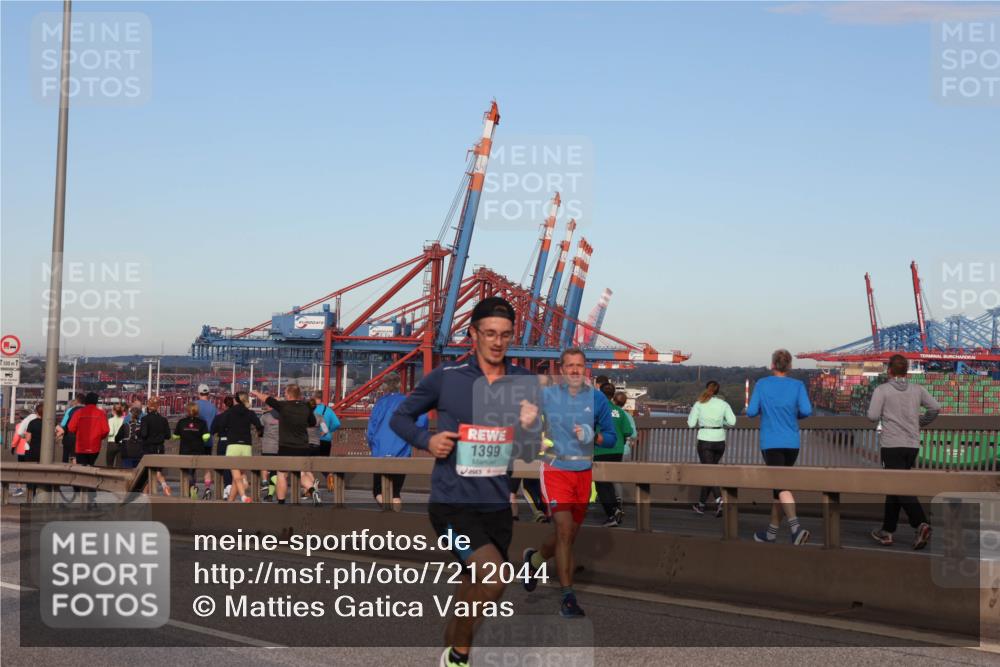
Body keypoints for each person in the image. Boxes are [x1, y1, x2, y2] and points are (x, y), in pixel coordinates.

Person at [390, 296, 541, 667]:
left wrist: (532, 424)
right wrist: (427, 440)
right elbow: (400, 418)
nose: (498, 342)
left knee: (474, 588)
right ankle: (459, 656)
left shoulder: (524, 381)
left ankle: (453, 648)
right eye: (489, 333)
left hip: (496, 503)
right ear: (473, 334)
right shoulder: (447, 377)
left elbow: (531, 444)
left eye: (505, 334)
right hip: (451, 504)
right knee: (495, 577)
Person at [523, 347, 616, 618]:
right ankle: (568, 598)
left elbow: (611, 437)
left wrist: (593, 436)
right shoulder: (548, 395)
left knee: (569, 535)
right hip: (555, 470)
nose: (575, 370)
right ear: (562, 370)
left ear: (585, 369)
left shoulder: (597, 398)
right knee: (564, 531)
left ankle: (534, 560)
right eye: (570, 365)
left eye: (579, 365)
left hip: (583, 473)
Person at [867, 354, 938, 549]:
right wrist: (919, 422)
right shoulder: (917, 389)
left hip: (891, 445)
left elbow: (872, 416)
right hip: (912, 445)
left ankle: (921, 523)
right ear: (906, 371)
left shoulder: (882, 390)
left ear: (889, 370)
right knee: (895, 487)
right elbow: (935, 408)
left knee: (898, 486)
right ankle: (887, 531)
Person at [747, 349, 812, 545]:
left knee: (781, 486)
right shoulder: (798, 385)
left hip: (771, 442)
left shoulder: (762, 384)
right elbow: (806, 410)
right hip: (792, 443)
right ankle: (771, 534)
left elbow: (751, 412)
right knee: (779, 489)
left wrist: (764, 410)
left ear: (772, 365)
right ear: (790, 366)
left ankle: (795, 529)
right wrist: (793, 415)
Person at [366, 373, 427, 511]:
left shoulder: (380, 404)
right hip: (402, 452)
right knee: (395, 493)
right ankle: (396, 518)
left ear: (384, 386)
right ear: (400, 385)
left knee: (378, 491)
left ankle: (389, 515)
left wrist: (373, 445)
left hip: (380, 453)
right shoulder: (407, 401)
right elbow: (422, 420)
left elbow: (371, 431)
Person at [251, 384, 317, 504]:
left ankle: (281, 502)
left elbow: (267, 399)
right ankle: (312, 490)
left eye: (285, 393)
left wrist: (256, 393)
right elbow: (312, 422)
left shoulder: (283, 406)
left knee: (282, 475)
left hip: (286, 447)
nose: (284, 395)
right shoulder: (306, 407)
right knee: (302, 473)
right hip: (303, 446)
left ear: (289, 395)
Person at [687, 380, 736, 517]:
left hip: (705, 441)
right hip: (720, 441)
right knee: (710, 471)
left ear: (706, 389)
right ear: (717, 391)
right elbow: (732, 422)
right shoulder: (723, 404)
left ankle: (719, 500)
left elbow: (691, 424)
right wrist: (721, 423)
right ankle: (701, 505)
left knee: (709, 472)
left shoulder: (699, 404)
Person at [214, 392, 263, 502]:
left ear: (236, 400)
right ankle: (231, 501)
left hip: (233, 445)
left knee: (236, 475)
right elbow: (259, 425)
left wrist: (228, 430)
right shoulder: (249, 412)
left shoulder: (230, 412)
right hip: (246, 446)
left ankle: (243, 496)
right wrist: (260, 433)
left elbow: (221, 425)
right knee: (239, 475)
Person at [597, 382, 632, 527]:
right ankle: (615, 509)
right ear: (613, 395)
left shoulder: (597, 409)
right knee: (609, 482)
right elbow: (628, 431)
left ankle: (611, 514)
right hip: (617, 451)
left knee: (601, 484)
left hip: (601, 450)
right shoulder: (619, 411)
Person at [174, 402, 210, 499]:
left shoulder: (181, 422)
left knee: (186, 472)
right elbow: (206, 436)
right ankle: (193, 487)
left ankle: (191, 488)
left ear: (187, 410)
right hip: (198, 450)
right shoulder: (202, 422)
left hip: (184, 450)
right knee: (193, 470)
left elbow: (175, 436)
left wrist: (181, 436)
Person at [66, 392, 110, 467]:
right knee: (91, 466)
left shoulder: (78, 412)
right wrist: (99, 437)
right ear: (96, 401)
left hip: (81, 446)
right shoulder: (101, 413)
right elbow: (105, 430)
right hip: (94, 446)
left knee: (81, 468)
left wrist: (78, 433)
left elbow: (71, 427)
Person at [140, 397, 172, 495]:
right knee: (157, 472)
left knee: (148, 473)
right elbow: (168, 436)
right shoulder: (163, 420)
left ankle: (145, 493)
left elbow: (144, 434)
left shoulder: (145, 419)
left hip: (148, 448)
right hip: (159, 448)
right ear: (158, 406)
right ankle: (164, 486)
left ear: (148, 406)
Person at [55, 394, 84, 463]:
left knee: (66, 456)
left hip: (69, 436)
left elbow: (63, 424)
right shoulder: (86, 410)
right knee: (78, 457)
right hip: (82, 436)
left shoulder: (70, 410)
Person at [259, 404, 280, 500]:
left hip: (267, 446)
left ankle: (278, 484)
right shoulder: (283, 416)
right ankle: (270, 494)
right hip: (279, 447)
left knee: (266, 467)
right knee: (274, 472)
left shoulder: (265, 416)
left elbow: (259, 429)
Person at [106, 403, 126, 468]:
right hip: (121, 444)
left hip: (112, 443)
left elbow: (111, 432)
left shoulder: (110, 420)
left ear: (113, 411)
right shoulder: (124, 420)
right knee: (119, 465)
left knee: (109, 465)